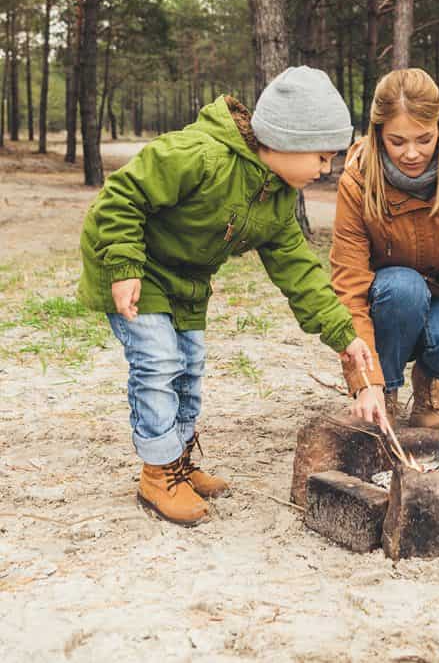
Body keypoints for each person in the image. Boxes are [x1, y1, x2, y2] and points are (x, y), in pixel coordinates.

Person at [79, 67, 371, 526]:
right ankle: (156, 473)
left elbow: (301, 275)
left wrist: (343, 335)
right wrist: (123, 267)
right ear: (286, 139)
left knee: (189, 369)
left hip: (188, 283)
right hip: (138, 270)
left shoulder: (275, 202)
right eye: (321, 156)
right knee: (157, 361)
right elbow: (120, 197)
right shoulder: (200, 154)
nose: (325, 169)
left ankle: (177, 460)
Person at [330, 68, 439, 430]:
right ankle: (385, 389)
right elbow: (349, 285)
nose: (411, 153)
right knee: (402, 287)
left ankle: (429, 379)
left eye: (424, 139)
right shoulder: (357, 181)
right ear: (377, 134)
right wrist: (364, 382)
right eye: (397, 141)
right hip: (389, 301)